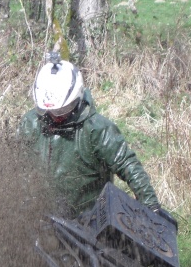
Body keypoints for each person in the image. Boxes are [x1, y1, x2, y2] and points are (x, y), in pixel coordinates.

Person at [18, 53, 162, 217]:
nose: (54, 116)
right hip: (41, 216)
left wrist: (151, 206)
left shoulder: (97, 129)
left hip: (89, 220)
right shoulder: (30, 124)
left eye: (61, 110)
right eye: (49, 110)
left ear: (76, 99)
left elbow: (128, 165)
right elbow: (14, 168)